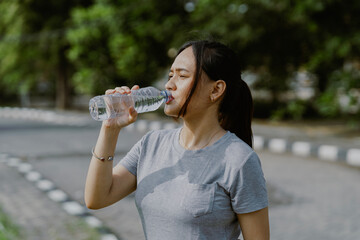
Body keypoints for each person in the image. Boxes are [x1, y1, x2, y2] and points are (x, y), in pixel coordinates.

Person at [85, 40, 269, 240]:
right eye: (170, 75)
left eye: (182, 76)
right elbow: (97, 198)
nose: (169, 85)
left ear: (216, 90)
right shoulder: (152, 144)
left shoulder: (239, 160)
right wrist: (110, 129)